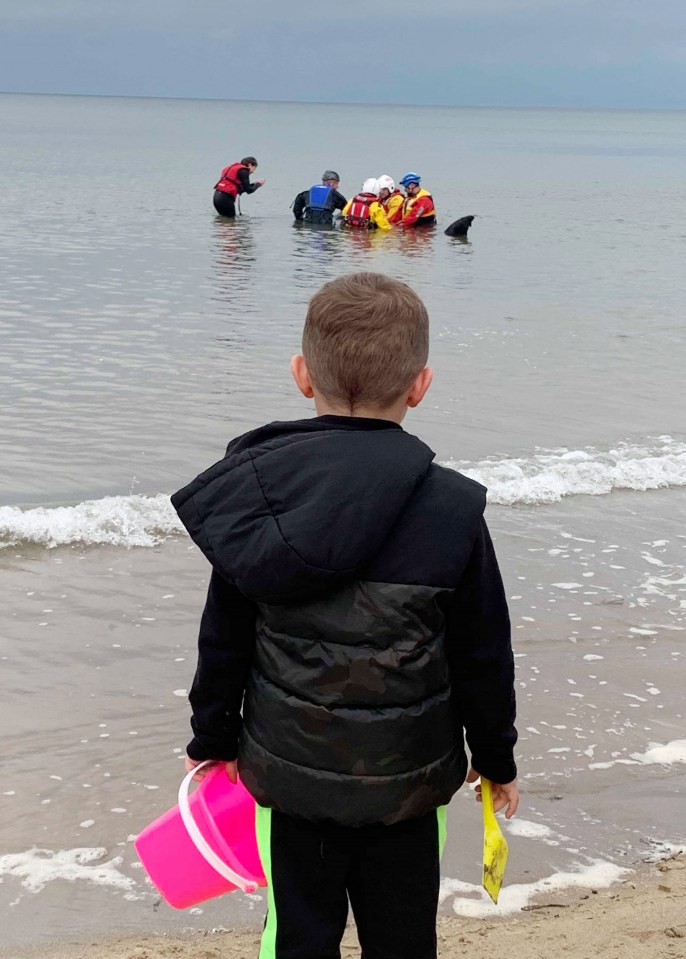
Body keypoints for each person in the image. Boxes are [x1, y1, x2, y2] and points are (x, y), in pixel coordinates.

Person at [171, 272, 519, 959]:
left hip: (290, 778)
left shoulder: (259, 500)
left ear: (303, 375)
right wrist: (496, 756)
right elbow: (483, 650)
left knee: (298, 936)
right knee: (403, 939)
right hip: (409, 785)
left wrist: (212, 737)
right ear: (420, 384)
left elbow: (224, 642)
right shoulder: (452, 511)